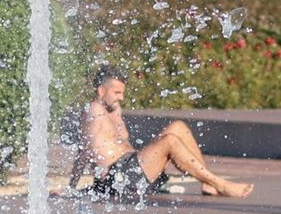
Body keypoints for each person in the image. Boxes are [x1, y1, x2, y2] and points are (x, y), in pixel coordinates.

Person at [70, 64, 254, 200]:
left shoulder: (114, 109)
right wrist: (72, 187)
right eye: (117, 93)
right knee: (169, 141)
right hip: (118, 179)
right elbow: (84, 151)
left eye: (122, 93)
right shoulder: (92, 111)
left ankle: (207, 183)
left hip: (133, 169)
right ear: (101, 90)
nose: (122, 98)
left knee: (178, 127)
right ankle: (219, 184)